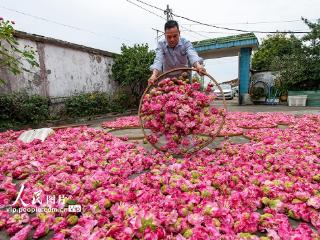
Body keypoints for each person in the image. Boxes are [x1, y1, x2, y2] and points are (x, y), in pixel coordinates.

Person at [148, 20, 206, 85]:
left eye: (175, 36)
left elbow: (192, 55)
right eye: (169, 37)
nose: (172, 39)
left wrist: (198, 66)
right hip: (168, 78)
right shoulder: (161, 45)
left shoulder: (186, 43)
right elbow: (158, 60)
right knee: (167, 94)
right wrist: (154, 75)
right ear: (165, 35)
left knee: (187, 93)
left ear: (179, 33)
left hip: (184, 76)